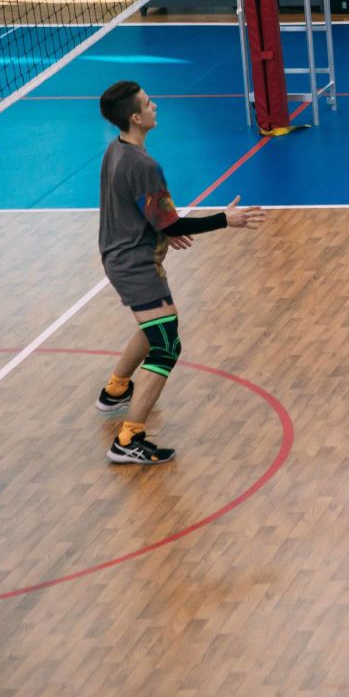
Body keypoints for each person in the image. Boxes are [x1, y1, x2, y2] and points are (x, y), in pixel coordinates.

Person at [93, 81, 265, 463]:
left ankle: (116, 390)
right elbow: (172, 224)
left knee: (155, 326)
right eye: (148, 103)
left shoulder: (115, 150)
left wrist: (162, 228)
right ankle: (128, 440)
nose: (155, 106)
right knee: (167, 344)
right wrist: (226, 219)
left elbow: (145, 212)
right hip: (134, 264)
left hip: (121, 254)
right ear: (136, 118)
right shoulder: (145, 166)